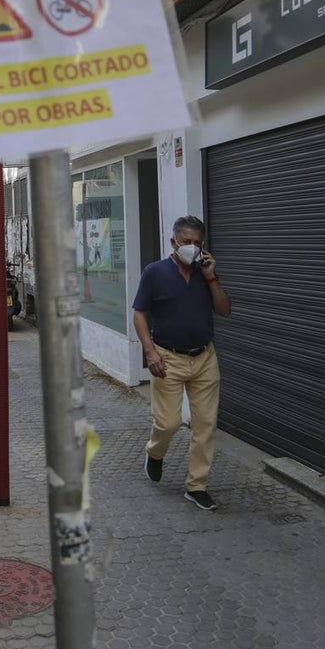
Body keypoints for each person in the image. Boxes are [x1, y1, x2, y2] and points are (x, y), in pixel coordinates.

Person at [132, 215, 232, 511]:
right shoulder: (155, 272)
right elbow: (139, 313)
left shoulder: (205, 273)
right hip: (167, 357)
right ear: (173, 243)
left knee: (205, 425)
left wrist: (212, 276)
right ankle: (155, 452)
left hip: (204, 357)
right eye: (186, 242)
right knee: (168, 423)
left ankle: (197, 486)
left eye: (197, 243)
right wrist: (149, 352)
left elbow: (225, 310)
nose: (192, 248)